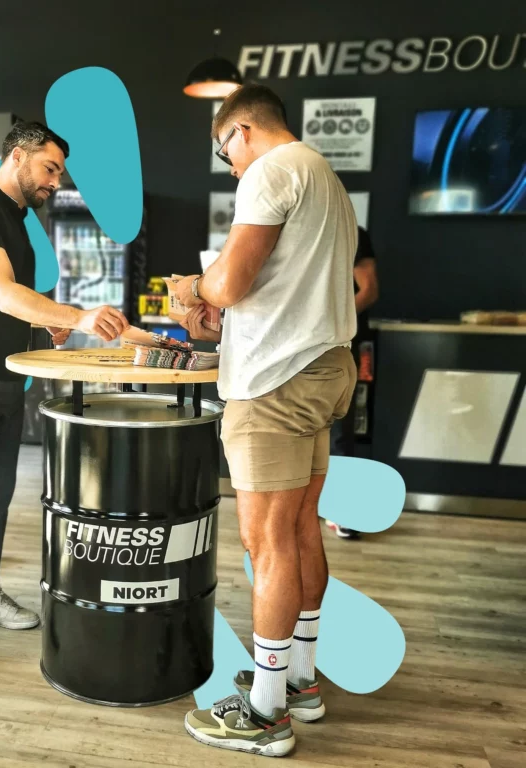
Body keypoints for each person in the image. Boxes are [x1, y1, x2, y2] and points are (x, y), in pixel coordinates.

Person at [174, 84, 357, 757]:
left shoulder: (271, 171)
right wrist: (223, 315)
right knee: (301, 528)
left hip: (276, 384)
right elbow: (278, 288)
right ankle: (298, 682)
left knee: (268, 542)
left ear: (243, 130)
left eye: (226, 151)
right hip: (321, 367)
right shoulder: (323, 176)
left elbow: (229, 283)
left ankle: (266, 713)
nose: (229, 166)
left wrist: (196, 290)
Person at [0, 120, 129, 678]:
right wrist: (76, 316)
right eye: (50, 168)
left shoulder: (17, 219)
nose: (56, 182)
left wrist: (47, 330)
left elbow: (11, 308)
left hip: (8, 374)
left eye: (58, 172)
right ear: (18, 156)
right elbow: (0, 293)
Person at [325, 225, 379, 539]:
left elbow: (369, 288)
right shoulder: (286, 228)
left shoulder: (350, 232)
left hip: (337, 341)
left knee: (337, 427)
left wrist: (331, 321)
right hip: (291, 341)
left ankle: (342, 509)